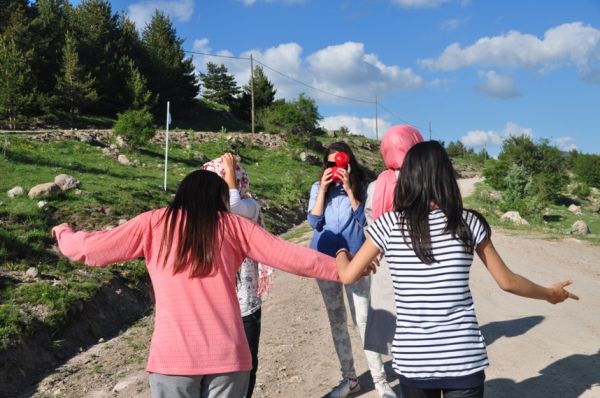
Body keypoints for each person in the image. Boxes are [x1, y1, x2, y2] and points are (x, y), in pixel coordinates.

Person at [52, 169, 341, 398]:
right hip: (228, 357)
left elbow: (91, 248)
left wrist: (63, 232)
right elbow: (291, 256)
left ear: (182, 194)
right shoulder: (235, 226)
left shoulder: (153, 223)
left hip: (172, 360)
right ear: (220, 199)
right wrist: (343, 269)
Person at [335, 140, 579, 398]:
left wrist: (342, 252)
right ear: (446, 177)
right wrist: (550, 294)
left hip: (414, 361)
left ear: (408, 178)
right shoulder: (467, 222)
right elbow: (507, 281)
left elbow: (348, 275)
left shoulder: (388, 224)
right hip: (464, 360)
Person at [308, 141, 396, 398]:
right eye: (330, 163)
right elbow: (314, 222)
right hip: (325, 261)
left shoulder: (362, 187)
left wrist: (348, 189)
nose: (335, 168)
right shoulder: (317, 187)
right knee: (337, 320)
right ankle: (349, 379)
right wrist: (324, 189)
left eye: (341, 163)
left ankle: (380, 380)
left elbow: (365, 220)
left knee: (364, 320)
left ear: (349, 164)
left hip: (358, 260)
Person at [202, 153, 271, 398]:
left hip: (244, 305)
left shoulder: (249, 206)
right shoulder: (203, 216)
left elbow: (232, 207)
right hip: (214, 305)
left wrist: (229, 172)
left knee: (246, 362)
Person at [364, 125, 424, 355]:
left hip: (387, 261)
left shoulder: (376, 186)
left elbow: (371, 228)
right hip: (420, 260)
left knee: (394, 328)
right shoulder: (424, 180)